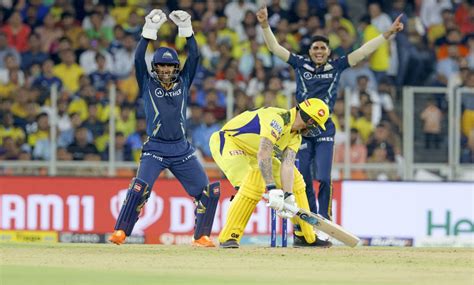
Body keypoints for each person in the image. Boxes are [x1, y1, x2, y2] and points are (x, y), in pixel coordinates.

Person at [256, 6, 404, 221]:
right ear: (310, 51)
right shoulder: (300, 64)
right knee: (304, 177)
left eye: (323, 48)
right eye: (315, 48)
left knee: (324, 177)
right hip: (301, 129)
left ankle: (324, 217)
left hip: (325, 127)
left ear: (328, 52)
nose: (318, 51)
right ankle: (310, 214)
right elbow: (274, 48)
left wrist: (388, 34)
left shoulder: (336, 66)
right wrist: (264, 25)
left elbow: (363, 51)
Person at [109, 9, 220, 247]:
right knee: (139, 189)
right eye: (161, 66)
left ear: (176, 68)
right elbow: (139, 59)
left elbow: (196, 56)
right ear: (155, 68)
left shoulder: (184, 81)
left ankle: (201, 236)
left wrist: (187, 31)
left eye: (170, 66)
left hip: (182, 149)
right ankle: (120, 232)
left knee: (208, 193)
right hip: (155, 149)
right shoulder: (147, 83)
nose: (166, 70)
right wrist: (148, 32)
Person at [210, 97, 332, 248]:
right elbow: (264, 153)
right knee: (253, 183)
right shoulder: (277, 119)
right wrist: (272, 189)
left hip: (256, 153)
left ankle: (305, 237)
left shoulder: (296, 136)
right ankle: (229, 237)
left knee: (296, 180)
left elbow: (287, 165)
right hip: (229, 143)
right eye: (315, 125)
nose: (314, 130)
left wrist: (288, 196)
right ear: (309, 120)